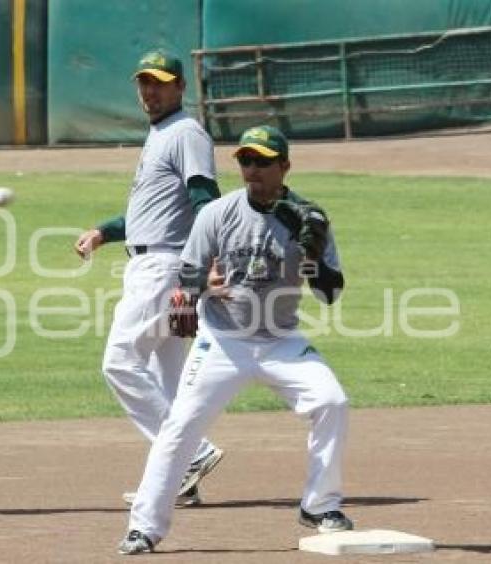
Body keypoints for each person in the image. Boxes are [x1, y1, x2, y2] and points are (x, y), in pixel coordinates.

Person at [118, 125, 352, 555]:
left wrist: (315, 260)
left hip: (281, 340)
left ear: (284, 166)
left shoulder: (308, 219)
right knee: (180, 427)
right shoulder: (217, 214)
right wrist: (191, 294)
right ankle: (145, 528)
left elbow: (331, 293)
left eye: (263, 162)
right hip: (223, 340)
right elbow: (188, 271)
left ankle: (320, 506)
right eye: (246, 160)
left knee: (331, 402)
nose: (252, 170)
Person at [74, 49, 224, 505]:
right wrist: (104, 231)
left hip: (165, 269)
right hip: (156, 262)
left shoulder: (185, 133)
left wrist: (206, 265)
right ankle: (178, 480)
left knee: (119, 362)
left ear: (181, 86)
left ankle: (191, 453)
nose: (150, 90)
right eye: (143, 82)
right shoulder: (161, 134)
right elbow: (152, 212)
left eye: (159, 82)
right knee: (170, 381)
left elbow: (206, 202)